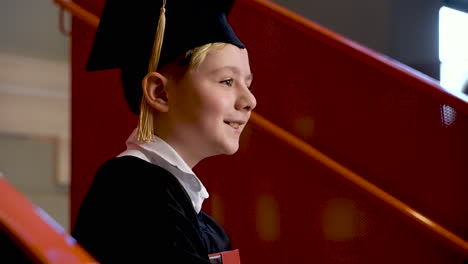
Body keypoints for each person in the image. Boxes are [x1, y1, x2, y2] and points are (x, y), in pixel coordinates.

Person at [71, 0, 256, 263]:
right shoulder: (133, 192)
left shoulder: (190, 212)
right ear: (160, 93)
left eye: (247, 84)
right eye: (227, 81)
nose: (250, 100)